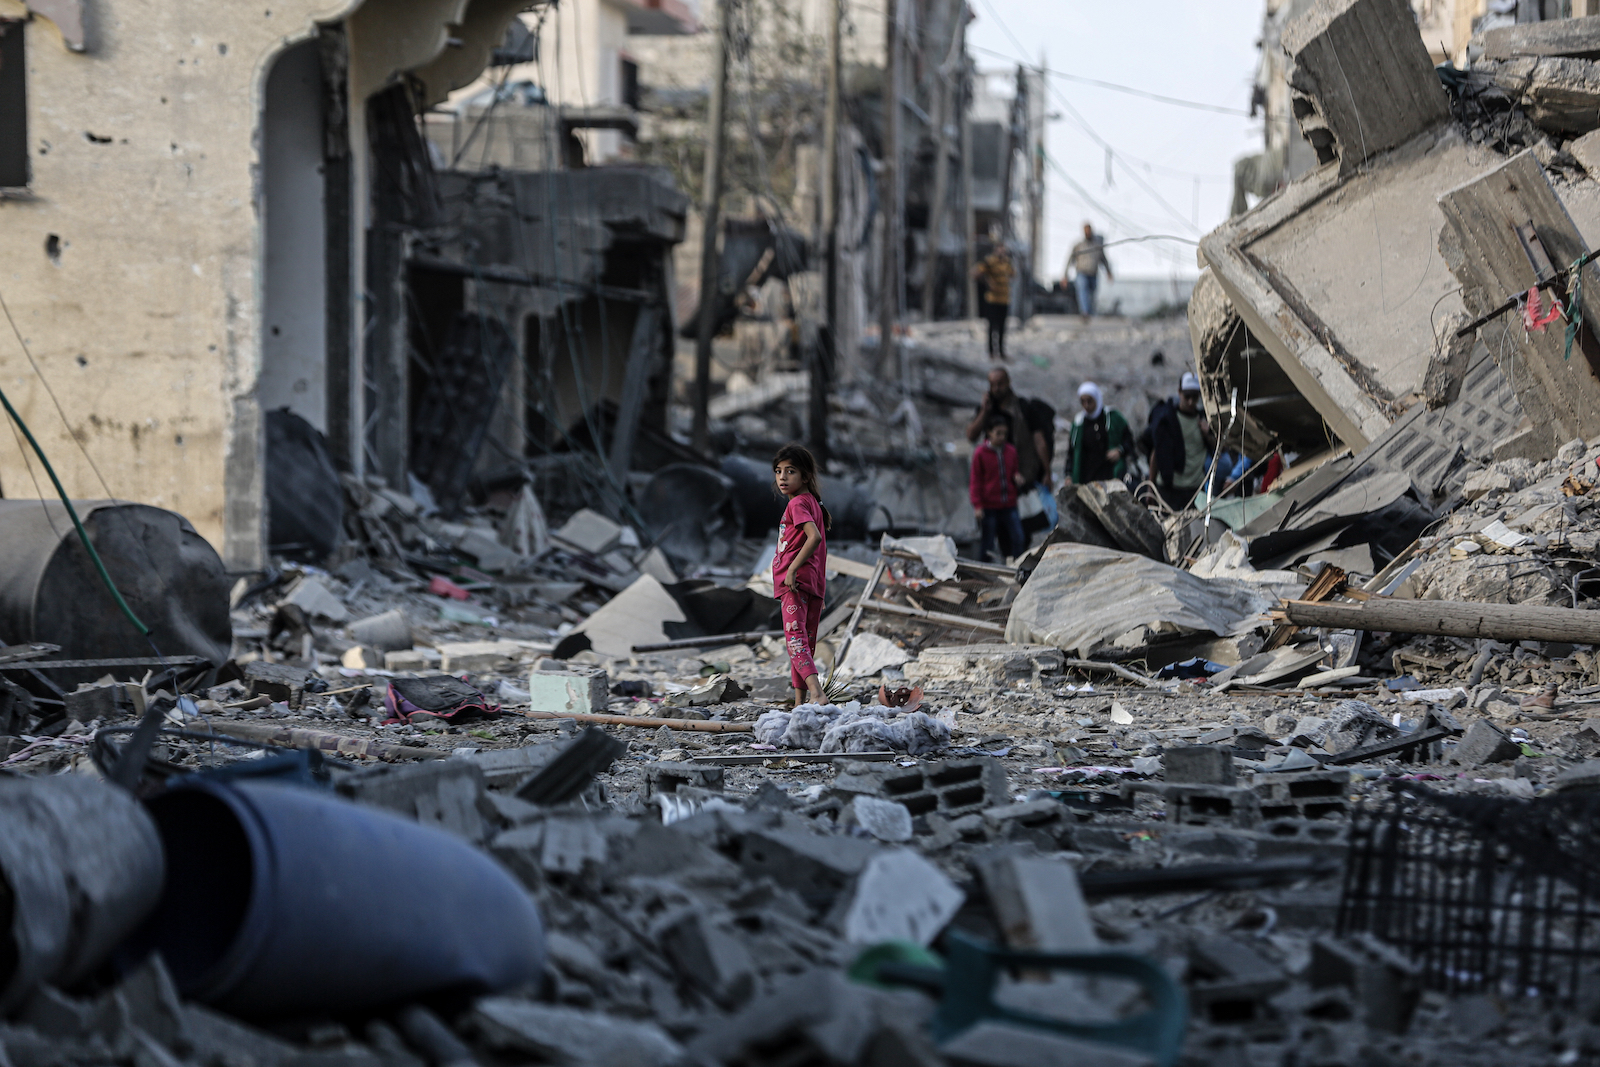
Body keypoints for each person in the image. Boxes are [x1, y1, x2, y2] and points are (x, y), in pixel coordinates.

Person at [772, 444, 831, 707]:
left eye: (790, 471)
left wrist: (792, 569)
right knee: (804, 642)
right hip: (812, 583)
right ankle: (800, 702)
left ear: (805, 476)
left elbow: (814, 538)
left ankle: (817, 694)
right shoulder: (813, 504)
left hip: (795, 582)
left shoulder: (797, 504)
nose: (782, 477)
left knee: (795, 641)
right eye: (778, 471)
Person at [964, 367, 1053, 489]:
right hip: (996, 476)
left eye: (1000, 384)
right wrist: (984, 411)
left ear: (1008, 382)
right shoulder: (987, 409)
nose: (996, 389)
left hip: (1024, 473)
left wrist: (1047, 473)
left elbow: (1039, 441)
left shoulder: (1024, 408)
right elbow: (971, 435)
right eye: (992, 385)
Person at [1149, 372, 1214, 511]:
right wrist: (1150, 486)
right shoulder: (1167, 419)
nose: (1191, 401)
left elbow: (1220, 449)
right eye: (1187, 396)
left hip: (1195, 490)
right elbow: (1157, 453)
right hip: (1169, 489)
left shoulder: (1204, 420)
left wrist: (1207, 434)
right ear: (1179, 393)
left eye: (1194, 397)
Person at [970, 415, 1026, 563]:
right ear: (989, 432)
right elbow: (975, 480)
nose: (1001, 437)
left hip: (1009, 504)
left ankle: (1018, 567)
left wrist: (1017, 477)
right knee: (988, 542)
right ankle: (984, 573)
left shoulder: (1011, 451)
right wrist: (977, 505)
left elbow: (1014, 470)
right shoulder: (980, 453)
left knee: (1018, 537)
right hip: (989, 506)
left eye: (1004, 434)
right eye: (998, 433)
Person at [1067, 381, 1134, 484]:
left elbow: (1129, 440)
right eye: (1083, 402)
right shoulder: (1078, 424)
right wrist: (1069, 475)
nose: (1086, 405)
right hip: (1087, 478)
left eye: (1090, 401)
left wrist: (1120, 451)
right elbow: (1072, 453)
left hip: (1111, 475)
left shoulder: (1112, 417)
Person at [972, 239, 1015, 361]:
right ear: (996, 250)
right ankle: (991, 352)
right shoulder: (989, 262)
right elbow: (975, 273)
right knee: (992, 326)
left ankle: (1001, 352)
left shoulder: (1007, 262)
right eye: (1000, 249)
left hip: (1004, 299)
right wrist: (987, 282)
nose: (1002, 251)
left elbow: (1013, 274)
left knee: (1002, 327)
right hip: (992, 299)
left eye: (1003, 249)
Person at [1065, 222, 1113, 319]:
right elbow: (1070, 260)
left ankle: (1089, 313)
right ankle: (1085, 312)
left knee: (1091, 294)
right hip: (1081, 273)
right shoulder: (1079, 246)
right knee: (1083, 290)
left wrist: (1108, 272)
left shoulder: (1097, 245)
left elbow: (1103, 259)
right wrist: (1065, 275)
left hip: (1093, 274)